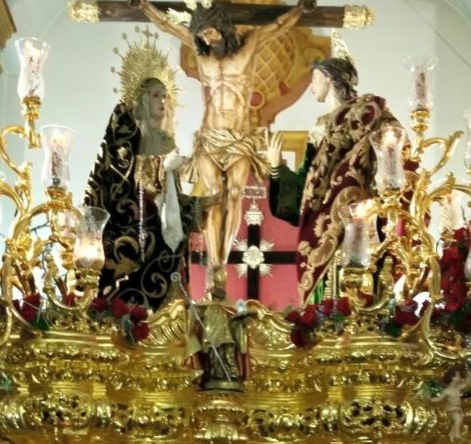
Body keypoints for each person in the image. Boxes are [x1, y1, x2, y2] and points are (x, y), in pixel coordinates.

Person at [139, 0, 312, 296]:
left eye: (209, 33)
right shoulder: (200, 51)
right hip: (210, 137)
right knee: (212, 200)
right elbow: (170, 25)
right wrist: (145, 7)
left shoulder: (248, 48)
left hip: (239, 137)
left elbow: (278, 26)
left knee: (234, 196)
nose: (205, 39)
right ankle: (214, 267)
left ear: (222, 27)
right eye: (202, 36)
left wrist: (299, 9)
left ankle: (222, 261)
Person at [266, 47, 402, 300]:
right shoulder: (319, 130)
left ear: (329, 77)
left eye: (315, 78)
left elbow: (391, 147)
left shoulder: (367, 112)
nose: (310, 87)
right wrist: (277, 170)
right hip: (323, 229)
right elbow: (305, 196)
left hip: (359, 221)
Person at [85, 33, 195, 310]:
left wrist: (196, 204)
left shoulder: (169, 144)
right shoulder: (125, 132)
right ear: (143, 99)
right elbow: (111, 181)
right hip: (129, 233)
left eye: (165, 96)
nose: (162, 102)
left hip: (160, 238)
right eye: (156, 95)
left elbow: (174, 202)